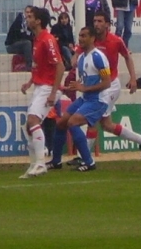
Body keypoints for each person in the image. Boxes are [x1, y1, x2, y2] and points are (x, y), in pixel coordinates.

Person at [46, 26, 109, 172]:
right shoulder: (81, 58)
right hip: (86, 98)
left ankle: (89, 162)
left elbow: (107, 82)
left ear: (92, 38)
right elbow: (83, 83)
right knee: (61, 123)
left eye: (84, 36)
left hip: (98, 100)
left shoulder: (98, 57)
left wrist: (84, 88)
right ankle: (56, 161)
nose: (80, 38)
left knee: (72, 122)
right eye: (79, 36)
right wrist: (69, 87)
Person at [87, 11, 141, 159]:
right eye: (95, 21)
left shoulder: (116, 40)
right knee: (107, 125)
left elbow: (127, 57)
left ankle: (83, 156)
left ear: (107, 24)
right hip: (98, 85)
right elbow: (78, 52)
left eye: (100, 21)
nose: (96, 24)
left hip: (111, 86)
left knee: (93, 118)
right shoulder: (91, 40)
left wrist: (133, 78)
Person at [19, 7, 64, 178]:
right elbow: (39, 67)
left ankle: (40, 163)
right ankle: (34, 165)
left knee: (32, 120)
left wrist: (53, 93)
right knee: (28, 127)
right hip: (40, 86)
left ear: (38, 21)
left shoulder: (48, 40)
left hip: (49, 87)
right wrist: (29, 82)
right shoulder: (36, 40)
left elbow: (60, 66)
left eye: (30, 16)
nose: (27, 19)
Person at [4, 5, 33, 71]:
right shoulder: (19, 22)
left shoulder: (31, 24)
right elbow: (21, 36)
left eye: (30, 12)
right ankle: (29, 66)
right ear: (24, 12)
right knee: (27, 43)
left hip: (21, 45)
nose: (29, 14)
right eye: (27, 12)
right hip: (11, 46)